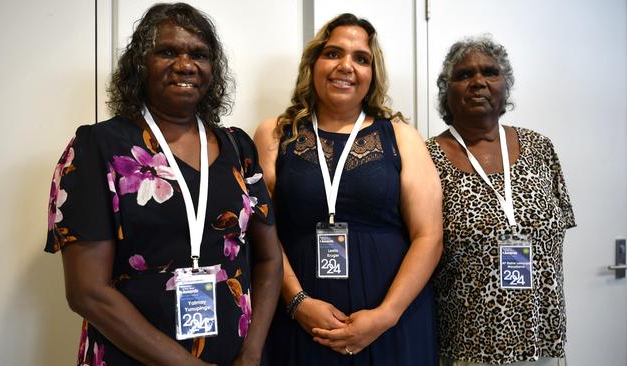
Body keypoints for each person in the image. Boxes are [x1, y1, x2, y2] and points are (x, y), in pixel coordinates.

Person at [45, 3, 282, 365]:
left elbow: (268, 259)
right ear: (141, 65)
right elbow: (86, 293)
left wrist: (251, 355)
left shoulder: (238, 147)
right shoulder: (98, 148)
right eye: (168, 51)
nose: (186, 64)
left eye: (199, 54)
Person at [254, 13, 443, 365]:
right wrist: (298, 303)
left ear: (373, 74)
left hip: (393, 323)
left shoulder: (402, 137)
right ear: (313, 64)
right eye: (333, 53)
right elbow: (262, 230)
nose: (346, 66)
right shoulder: (275, 134)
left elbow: (428, 236)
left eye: (361, 58)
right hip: (300, 322)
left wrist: (386, 315)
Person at [426, 35, 576, 366]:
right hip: (467, 347)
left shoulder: (540, 148)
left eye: (489, 72)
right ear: (445, 92)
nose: (478, 82)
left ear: (505, 86)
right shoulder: (425, 159)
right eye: (464, 75)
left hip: (544, 342)